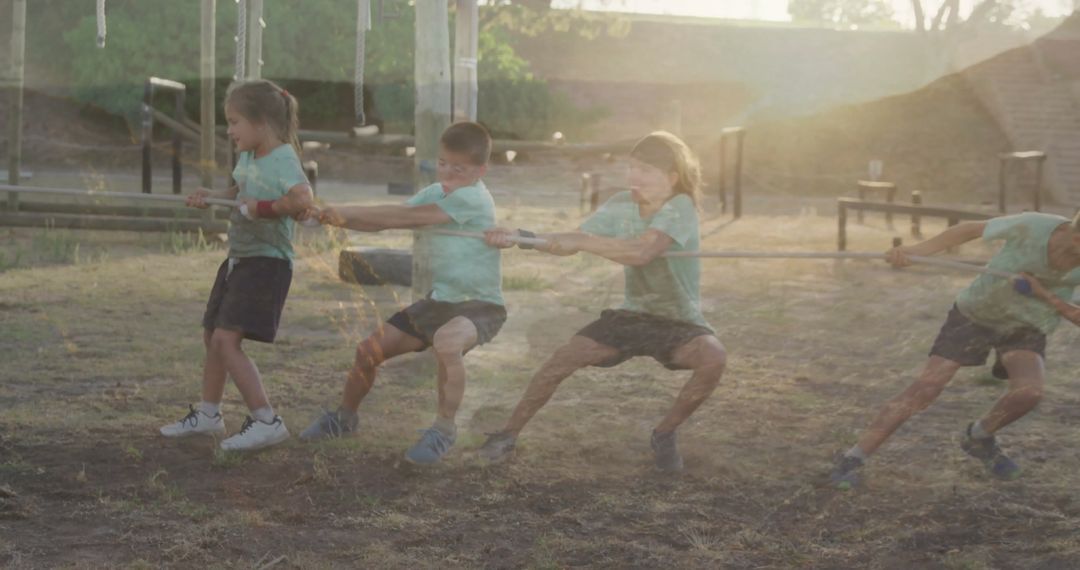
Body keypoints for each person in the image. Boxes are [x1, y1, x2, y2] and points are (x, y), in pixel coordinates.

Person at [478, 131, 727, 472]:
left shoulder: (679, 205)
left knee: (713, 357)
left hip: (678, 319)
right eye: (633, 167)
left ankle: (664, 434)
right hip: (633, 314)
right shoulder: (622, 202)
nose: (635, 177)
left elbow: (642, 252)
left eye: (647, 171)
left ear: (672, 178)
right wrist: (518, 237)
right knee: (561, 360)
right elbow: (570, 243)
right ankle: (506, 435)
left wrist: (584, 240)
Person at [300, 122, 506, 465]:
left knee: (447, 342)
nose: (448, 173)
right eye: (443, 163)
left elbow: (404, 218)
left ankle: (443, 429)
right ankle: (344, 418)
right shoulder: (436, 192)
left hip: (481, 306)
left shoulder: (474, 197)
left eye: (460, 167)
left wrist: (340, 211)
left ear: (480, 170)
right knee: (368, 351)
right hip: (441, 300)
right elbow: (384, 220)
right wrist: (332, 217)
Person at [829, 211, 1080, 489]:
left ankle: (979, 437)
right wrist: (915, 251)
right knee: (926, 389)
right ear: (1075, 235)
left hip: (1025, 327)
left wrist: (1042, 293)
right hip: (975, 314)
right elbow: (969, 230)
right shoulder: (1033, 226)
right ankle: (853, 457)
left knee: (1029, 393)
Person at [160, 79, 313, 451]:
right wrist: (212, 196)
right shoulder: (249, 157)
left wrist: (263, 209)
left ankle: (267, 420)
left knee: (228, 341)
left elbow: (302, 201)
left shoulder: (283, 158)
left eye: (234, 122)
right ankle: (209, 415)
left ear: (261, 123)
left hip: (267, 263)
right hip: (239, 259)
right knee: (213, 335)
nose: (229, 131)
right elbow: (239, 192)